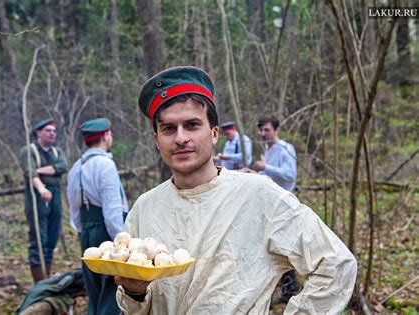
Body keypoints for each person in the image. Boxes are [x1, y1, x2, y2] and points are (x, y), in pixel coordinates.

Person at [114, 66, 357, 314]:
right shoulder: (145, 208)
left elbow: (336, 265)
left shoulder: (259, 196)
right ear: (157, 139)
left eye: (192, 125)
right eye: (168, 129)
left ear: (214, 133)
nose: (180, 138)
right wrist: (135, 291)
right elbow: (133, 308)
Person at [67, 118, 129, 315]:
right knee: (111, 289)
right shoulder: (105, 164)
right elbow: (112, 211)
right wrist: (121, 241)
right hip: (105, 231)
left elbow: (74, 211)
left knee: (93, 288)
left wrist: (83, 232)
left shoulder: (76, 167)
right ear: (105, 136)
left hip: (86, 232)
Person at [251, 115, 299, 304]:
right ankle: (285, 290)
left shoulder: (285, 148)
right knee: (272, 247)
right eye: (261, 130)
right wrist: (256, 174)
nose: (263, 134)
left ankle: (290, 290)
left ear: (276, 130)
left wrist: (266, 167)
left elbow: (290, 175)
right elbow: (268, 175)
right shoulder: (268, 149)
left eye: (267, 130)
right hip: (268, 204)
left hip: (283, 204)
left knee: (282, 247)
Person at [19, 118, 68, 284]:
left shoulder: (57, 152)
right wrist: (41, 188)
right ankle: (40, 284)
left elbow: (62, 166)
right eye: (48, 130)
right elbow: (31, 175)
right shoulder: (29, 150)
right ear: (38, 132)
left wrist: (37, 170)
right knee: (38, 239)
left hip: (55, 195)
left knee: (51, 239)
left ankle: (47, 278)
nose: (52, 134)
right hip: (36, 196)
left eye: (54, 131)